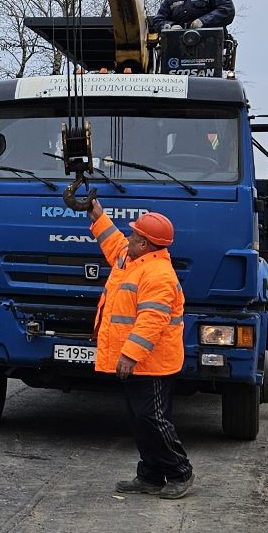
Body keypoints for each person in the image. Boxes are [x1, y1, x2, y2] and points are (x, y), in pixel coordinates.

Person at [89, 198, 192, 499]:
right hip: (142, 362)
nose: (129, 237)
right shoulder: (132, 260)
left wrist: (129, 355)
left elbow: (151, 321)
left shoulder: (158, 275)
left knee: (152, 419)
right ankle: (150, 475)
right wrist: (97, 216)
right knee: (140, 419)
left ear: (146, 244)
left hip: (153, 363)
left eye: (134, 235)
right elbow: (114, 243)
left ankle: (179, 472)